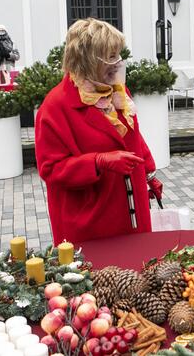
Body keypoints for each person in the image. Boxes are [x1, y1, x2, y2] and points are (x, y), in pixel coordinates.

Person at [35, 18, 162, 244]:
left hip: (133, 213)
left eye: (118, 55)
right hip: (92, 223)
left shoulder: (117, 91)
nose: (118, 62)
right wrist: (98, 161)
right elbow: (50, 169)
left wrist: (149, 173)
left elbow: (133, 137)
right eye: (111, 56)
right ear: (87, 61)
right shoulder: (55, 106)